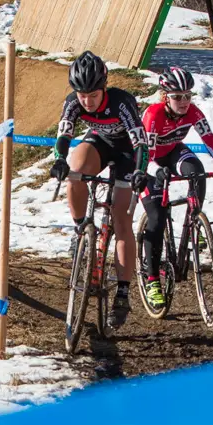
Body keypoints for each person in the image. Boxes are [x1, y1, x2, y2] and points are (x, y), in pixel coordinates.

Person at [50, 51, 148, 330]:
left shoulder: (121, 103)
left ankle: (123, 293)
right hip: (100, 142)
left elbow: (141, 144)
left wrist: (140, 170)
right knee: (74, 170)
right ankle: (81, 228)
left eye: (93, 95)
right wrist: (59, 159)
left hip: (128, 152)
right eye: (82, 95)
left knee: (121, 219)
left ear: (104, 88)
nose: (87, 101)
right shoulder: (73, 103)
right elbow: (65, 134)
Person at [139, 66, 213, 307]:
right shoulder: (153, 115)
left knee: (197, 172)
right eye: (177, 97)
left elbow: (210, 139)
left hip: (172, 152)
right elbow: (146, 156)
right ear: (165, 97)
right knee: (157, 216)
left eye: (187, 96)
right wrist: (154, 172)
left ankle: (194, 223)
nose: (184, 102)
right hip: (146, 163)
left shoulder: (192, 112)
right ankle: (152, 280)